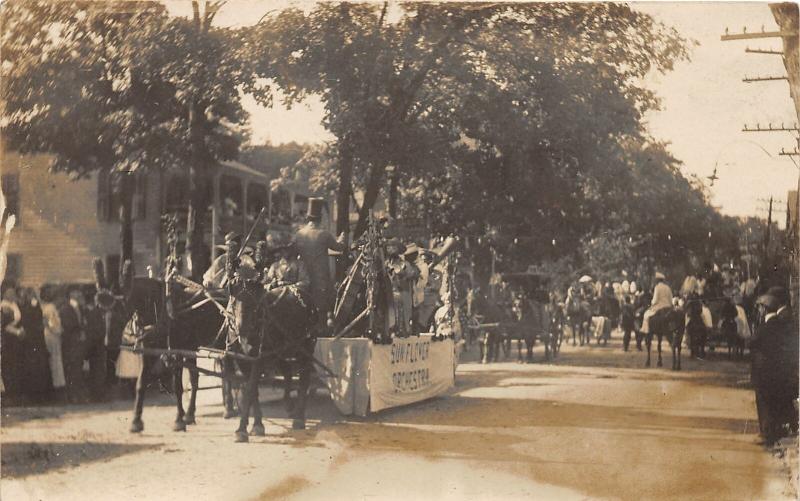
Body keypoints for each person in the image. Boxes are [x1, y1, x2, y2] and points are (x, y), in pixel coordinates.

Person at [750, 286, 799, 444]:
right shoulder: (781, 320)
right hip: (778, 368)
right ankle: (772, 433)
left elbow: (754, 341)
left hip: (768, 370)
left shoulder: (771, 323)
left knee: (766, 402)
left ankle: (769, 434)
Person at [293, 198, 345, 326]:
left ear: (308, 218)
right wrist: (343, 238)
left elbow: (294, 253)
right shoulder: (324, 235)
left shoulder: (299, 234)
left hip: (302, 280)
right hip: (321, 283)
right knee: (323, 314)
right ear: (320, 218)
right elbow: (339, 248)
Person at [18, 287, 52, 401]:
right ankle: (34, 395)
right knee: (34, 367)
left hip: (37, 340)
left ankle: (40, 394)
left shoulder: (33, 305)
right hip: (31, 340)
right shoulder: (27, 306)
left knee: (39, 366)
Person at [59, 286, 89, 403]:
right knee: (71, 370)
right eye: (77, 292)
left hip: (79, 344)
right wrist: (80, 330)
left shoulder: (80, 308)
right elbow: (68, 326)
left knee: (78, 369)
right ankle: (72, 396)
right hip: (70, 344)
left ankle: (78, 395)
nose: (79, 294)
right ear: (72, 294)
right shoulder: (65, 309)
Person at [385, 238, 419, 336]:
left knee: (403, 319)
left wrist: (402, 274)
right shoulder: (385, 264)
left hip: (402, 293)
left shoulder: (405, 264)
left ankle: (403, 331)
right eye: (388, 247)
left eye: (393, 247)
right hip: (388, 294)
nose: (389, 249)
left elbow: (413, 274)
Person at [40, 285, 66, 398]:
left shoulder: (47, 307)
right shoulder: (50, 308)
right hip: (51, 334)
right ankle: (57, 387)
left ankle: (57, 386)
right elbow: (51, 324)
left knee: (55, 360)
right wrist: (59, 331)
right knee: (55, 360)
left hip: (52, 333)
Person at [83, 286, 107, 401]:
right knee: (97, 372)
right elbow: (98, 330)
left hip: (96, 346)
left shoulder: (93, 312)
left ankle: (98, 395)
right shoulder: (94, 313)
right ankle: (97, 395)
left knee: (97, 371)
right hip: (95, 346)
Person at [1, 284, 24, 398]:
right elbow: (5, 325)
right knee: (9, 365)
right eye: (9, 293)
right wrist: (17, 332)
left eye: (13, 293)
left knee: (16, 364)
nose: (12, 295)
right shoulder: (4, 306)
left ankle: (16, 392)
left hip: (17, 338)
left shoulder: (14, 304)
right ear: (5, 294)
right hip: (9, 338)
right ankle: (10, 393)